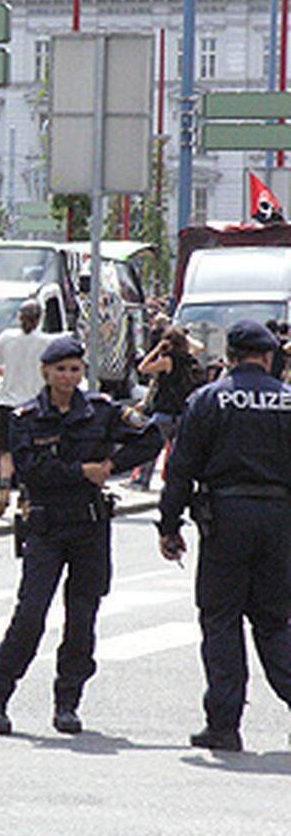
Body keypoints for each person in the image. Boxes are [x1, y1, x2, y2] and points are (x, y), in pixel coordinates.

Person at [0, 336, 161, 736]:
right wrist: (81, 471)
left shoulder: (99, 410)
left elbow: (150, 437)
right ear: (46, 371)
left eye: (74, 369)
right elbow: (30, 468)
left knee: (82, 618)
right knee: (30, 615)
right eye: (60, 369)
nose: (67, 376)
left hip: (89, 526)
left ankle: (68, 702)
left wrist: (112, 464)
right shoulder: (26, 417)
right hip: (46, 527)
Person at [157, 320, 291, 752]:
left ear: (228, 356)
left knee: (220, 620)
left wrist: (169, 524)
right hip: (279, 520)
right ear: (268, 356)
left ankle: (223, 724)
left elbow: (180, 470)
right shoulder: (288, 402)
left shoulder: (208, 400)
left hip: (226, 521)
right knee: (274, 622)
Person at [0, 300, 50, 517]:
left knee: (6, 451)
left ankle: (4, 489)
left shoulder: (6, 337)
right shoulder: (46, 342)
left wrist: (12, 374)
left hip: (8, 402)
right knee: (30, 452)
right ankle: (24, 495)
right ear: (40, 317)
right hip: (33, 404)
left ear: (19, 317)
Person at [131, 326, 203, 491]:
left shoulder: (168, 360)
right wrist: (185, 337)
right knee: (179, 452)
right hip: (183, 414)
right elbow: (199, 347)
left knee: (150, 447)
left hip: (165, 412)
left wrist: (157, 349)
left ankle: (142, 480)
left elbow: (143, 368)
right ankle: (178, 483)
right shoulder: (190, 359)